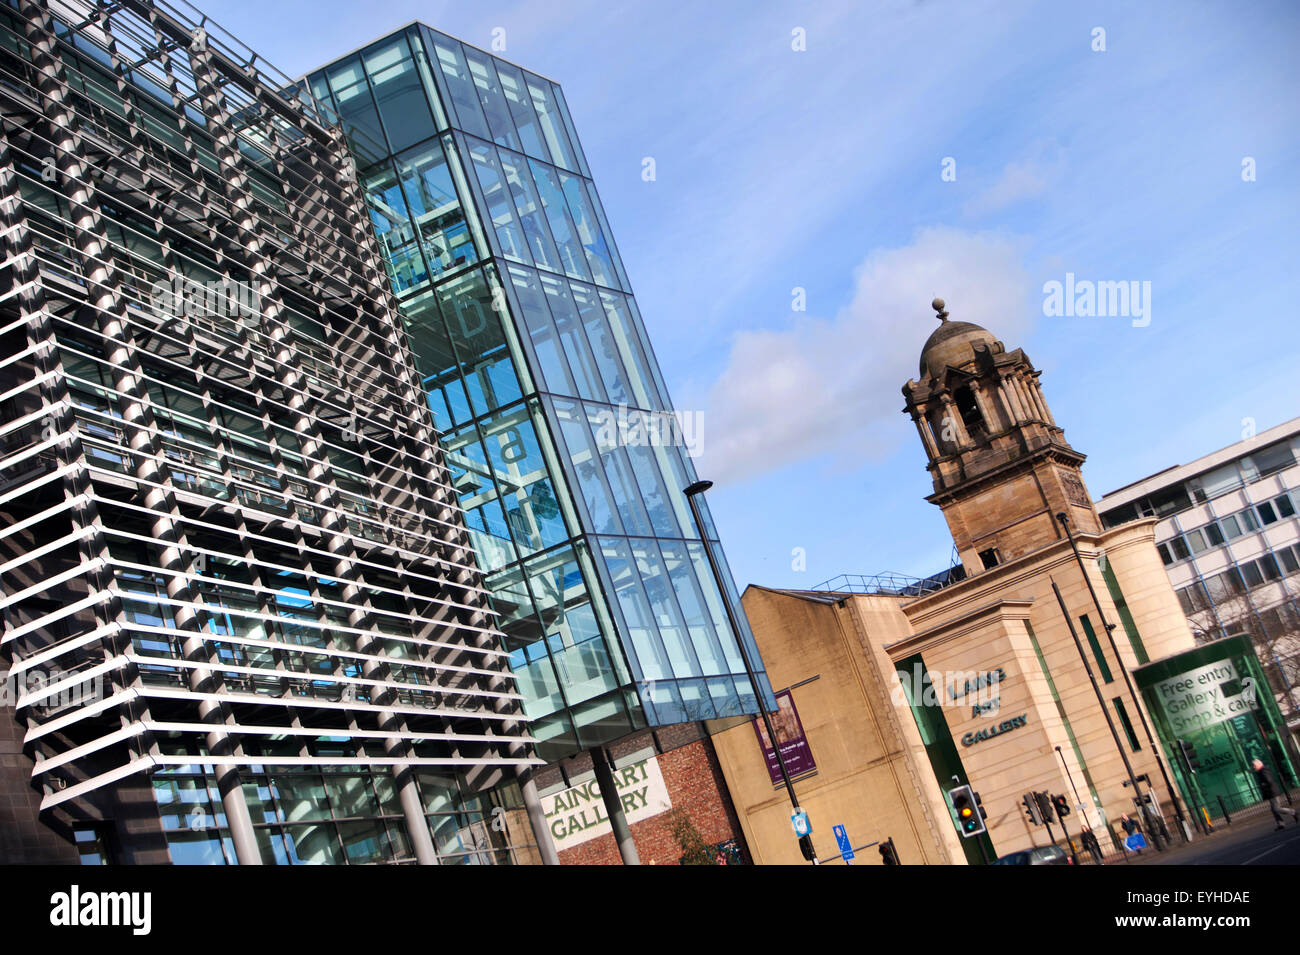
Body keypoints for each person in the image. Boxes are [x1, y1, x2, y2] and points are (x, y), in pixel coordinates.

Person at [1252, 758, 1298, 830]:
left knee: (1277, 808)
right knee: (1273, 809)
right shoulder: (1262, 771)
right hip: (1270, 793)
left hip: (1272, 792)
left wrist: (1263, 784)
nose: (1254, 767)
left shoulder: (1264, 771)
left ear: (1259, 764)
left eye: (1254, 765)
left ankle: (1292, 812)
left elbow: (1269, 780)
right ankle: (1280, 824)